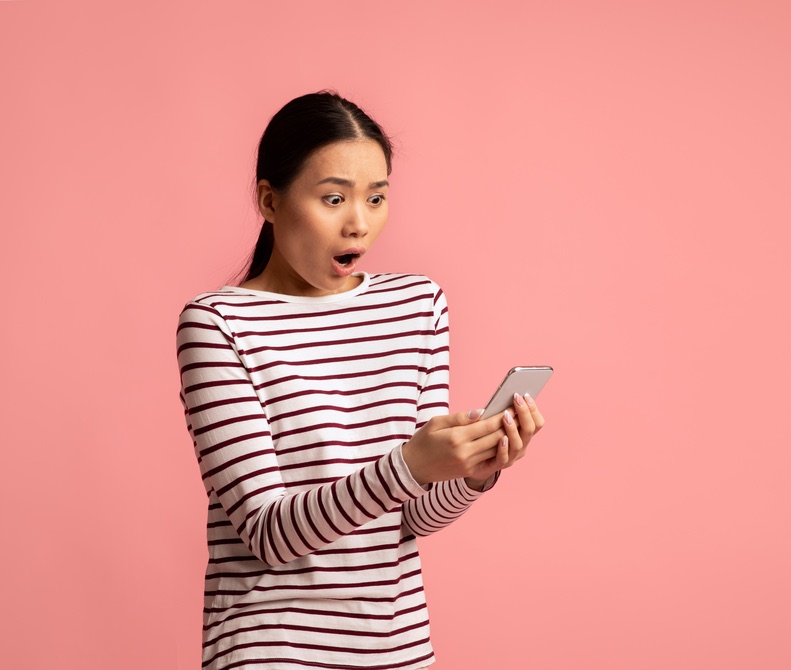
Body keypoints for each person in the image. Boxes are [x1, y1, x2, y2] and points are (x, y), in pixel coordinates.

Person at [174, 89, 545, 670]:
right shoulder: (218, 323)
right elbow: (269, 534)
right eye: (332, 198)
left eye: (376, 198)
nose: (359, 224)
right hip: (272, 651)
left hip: (396, 649)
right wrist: (410, 466)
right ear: (270, 201)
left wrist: (474, 475)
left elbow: (411, 517)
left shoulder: (417, 307)